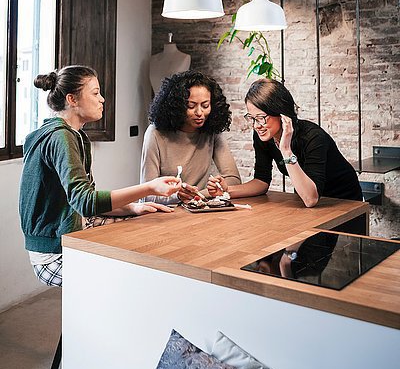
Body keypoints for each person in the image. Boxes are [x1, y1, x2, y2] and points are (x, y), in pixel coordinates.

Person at [19, 65, 180, 287]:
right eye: (95, 93)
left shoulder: (75, 136)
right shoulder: (60, 138)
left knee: (146, 236)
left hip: (75, 227)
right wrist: (150, 188)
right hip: (53, 253)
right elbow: (86, 202)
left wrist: (132, 208)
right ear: (72, 100)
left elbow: (85, 201)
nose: (102, 99)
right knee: (138, 274)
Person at [207, 78, 362, 207]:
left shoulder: (313, 137)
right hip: (305, 196)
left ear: (281, 114)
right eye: (252, 118)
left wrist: (286, 150)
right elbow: (261, 181)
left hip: (344, 200)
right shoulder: (264, 135)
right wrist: (227, 191)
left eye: (261, 117)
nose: (256, 125)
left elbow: (311, 199)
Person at [141, 70, 241, 203]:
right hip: (164, 213)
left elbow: (234, 179)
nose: (199, 112)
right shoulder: (155, 133)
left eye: (205, 105)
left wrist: (214, 187)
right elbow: (146, 194)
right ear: (176, 106)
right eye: (191, 106)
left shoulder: (211, 132)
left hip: (198, 208)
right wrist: (176, 196)